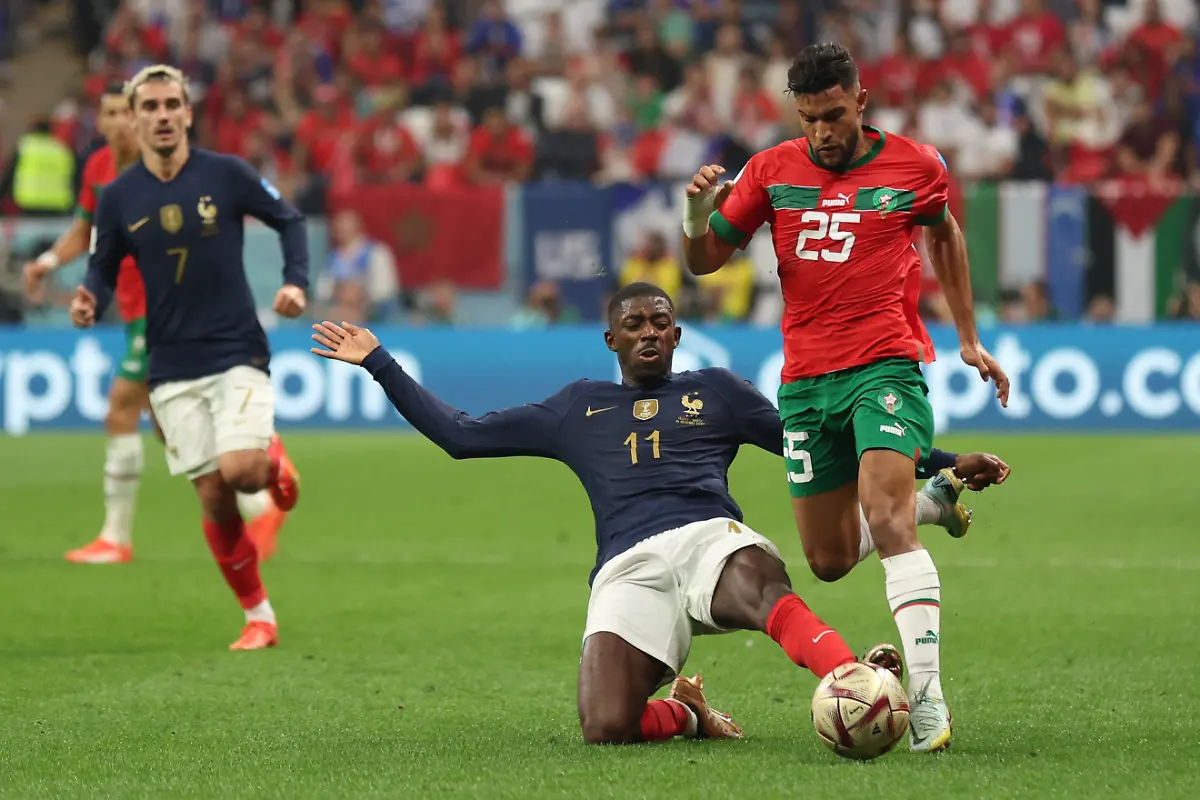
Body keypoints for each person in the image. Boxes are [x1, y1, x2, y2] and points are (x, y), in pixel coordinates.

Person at [308, 282, 1008, 744]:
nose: (649, 332)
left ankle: (856, 677)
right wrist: (380, 363)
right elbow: (461, 436)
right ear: (610, 340)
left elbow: (818, 442)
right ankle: (689, 713)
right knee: (606, 726)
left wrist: (939, 462)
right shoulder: (575, 407)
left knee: (760, 588)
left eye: (662, 323)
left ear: (677, 337)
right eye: (633, 324)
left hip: (711, 538)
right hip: (627, 565)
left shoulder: (719, 392)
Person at [679, 42, 1012, 752]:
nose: (823, 132)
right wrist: (698, 214)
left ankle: (926, 702)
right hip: (804, 382)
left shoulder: (914, 166)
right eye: (809, 119)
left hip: (884, 364)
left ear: (860, 102)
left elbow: (944, 232)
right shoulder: (772, 169)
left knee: (888, 524)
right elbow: (704, 262)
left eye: (833, 115)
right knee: (828, 559)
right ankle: (937, 498)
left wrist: (967, 335)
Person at [70, 65, 305, 651]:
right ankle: (260, 618)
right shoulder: (120, 195)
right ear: (134, 117)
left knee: (242, 471)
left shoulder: (225, 174)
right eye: (149, 106)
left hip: (236, 350)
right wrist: (88, 298)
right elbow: (102, 265)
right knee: (212, 495)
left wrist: (295, 282)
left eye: (172, 103)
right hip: (170, 365)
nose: (163, 114)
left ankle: (274, 465)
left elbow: (289, 219)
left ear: (188, 113)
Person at [23, 82, 289, 565]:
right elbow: (86, 230)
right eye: (109, 114)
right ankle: (260, 498)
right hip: (129, 307)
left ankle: (116, 536)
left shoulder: (173, 170)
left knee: (121, 407)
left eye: (124, 112)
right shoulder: (101, 170)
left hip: (164, 309)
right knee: (170, 431)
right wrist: (47, 261)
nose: (118, 122)